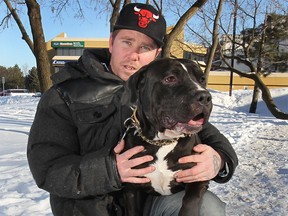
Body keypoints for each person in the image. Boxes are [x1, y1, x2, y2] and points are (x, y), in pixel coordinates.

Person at [27, 3, 238, 216]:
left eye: (145, 48)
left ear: (156, 54)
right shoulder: (63, 95)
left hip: (151, 203)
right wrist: (110, 171)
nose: (134, 55)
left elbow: (210, 136)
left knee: (207, 208)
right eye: (127, 42)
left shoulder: (161, 90)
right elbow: (46, 169)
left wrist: (217, 160)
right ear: (111, 43)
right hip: (90, 208)